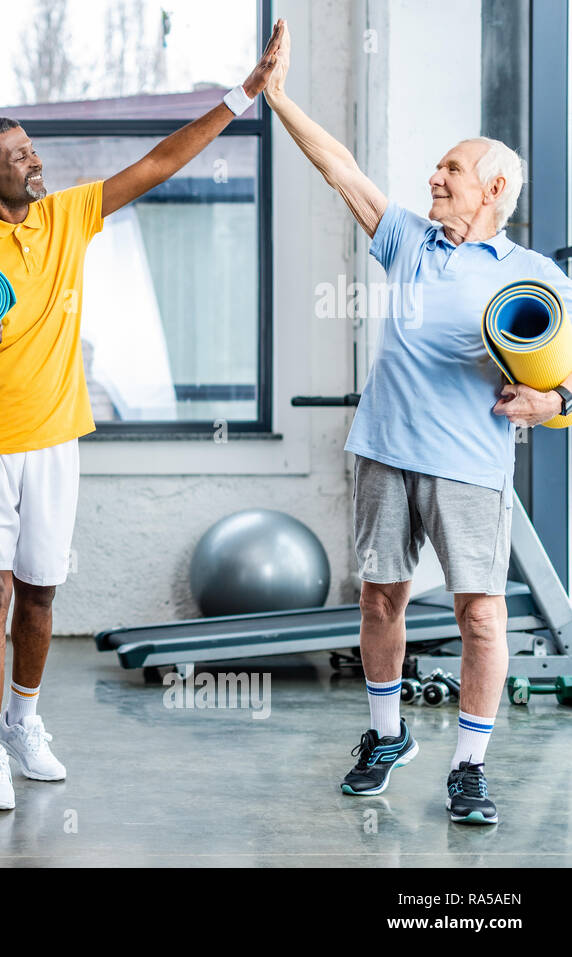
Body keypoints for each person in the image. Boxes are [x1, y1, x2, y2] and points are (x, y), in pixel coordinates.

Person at [0, 24, 284, 810]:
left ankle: (27, 725)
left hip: (57, 435)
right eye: (20, 152)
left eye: (33, 148)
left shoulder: (66, 218)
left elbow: (160, 162)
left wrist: (245, 92)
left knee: (40, 593)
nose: (36, 159)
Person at [264, 19, 572, 824]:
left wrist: (555, 404)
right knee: (380, 601)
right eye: (436, 165)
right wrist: (279, 98)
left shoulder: (535, 277)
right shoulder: (407, 240)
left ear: (494, 189)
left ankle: (468, 765)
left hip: (470, 465)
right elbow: (342, 168)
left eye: (453, 168)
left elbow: (564, 384)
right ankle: (385, 734)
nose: (435, 177)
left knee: (481, 614)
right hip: (384, 453)